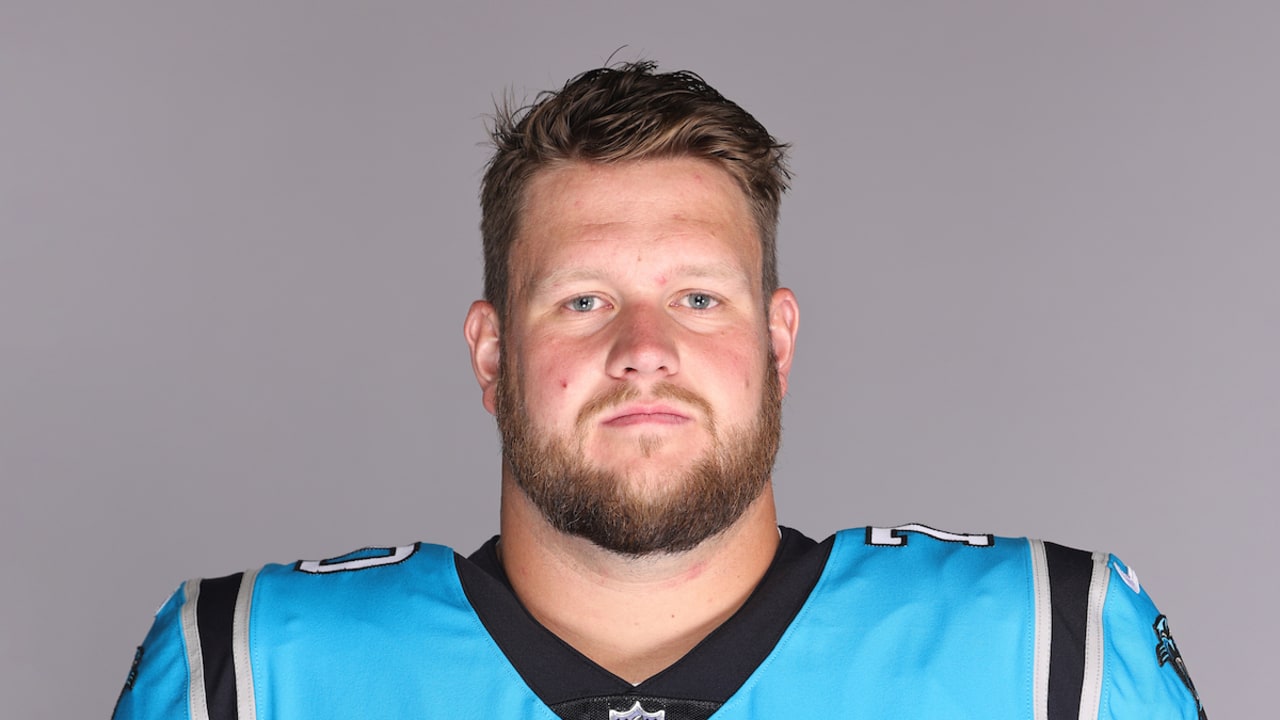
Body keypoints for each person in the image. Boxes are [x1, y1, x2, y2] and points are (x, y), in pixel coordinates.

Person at [112, 61, 1206, 720]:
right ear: (490, 356)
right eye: (582, 302)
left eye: (696, 300)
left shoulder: (1045, 657)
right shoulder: (250, 675)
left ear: (777, 343)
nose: (643, 350)